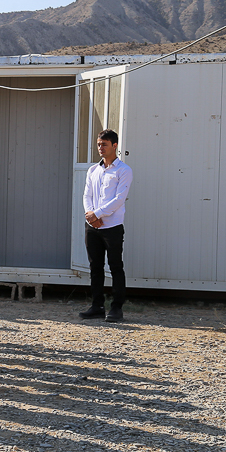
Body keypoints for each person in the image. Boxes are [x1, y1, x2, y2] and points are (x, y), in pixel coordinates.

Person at [80, 129, 133, 323]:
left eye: (104, 144)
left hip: (112, 227)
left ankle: (116, 308)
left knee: (115, 266)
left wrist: (98, 214)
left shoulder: (123, 171)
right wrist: (90, 215)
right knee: (95, 267)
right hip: (93, 227)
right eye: (98, 144)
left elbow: (119, 199)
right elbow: (87, 195)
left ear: (115, 146)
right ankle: (97, 306)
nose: (100, 148)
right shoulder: (93, 170)